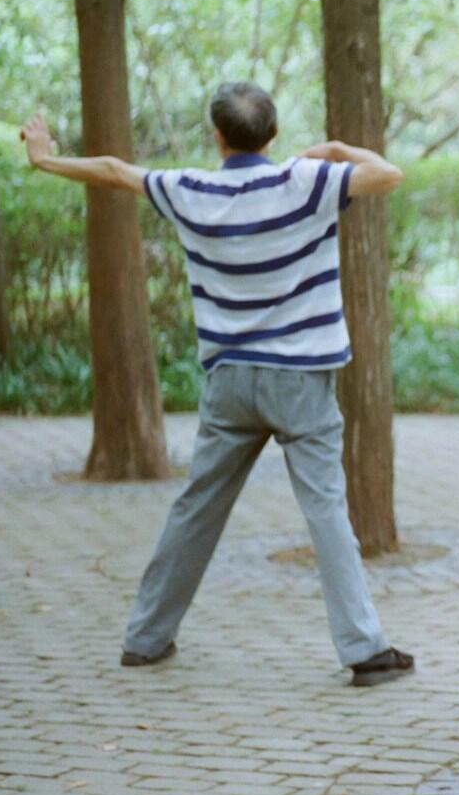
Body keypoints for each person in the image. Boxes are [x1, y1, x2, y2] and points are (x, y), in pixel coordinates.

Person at [20, 82, 415, 687]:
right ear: (274, 135)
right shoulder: (304, 183)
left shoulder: (189, 191)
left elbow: (113, 170)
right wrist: (334, 146)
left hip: (229, 381)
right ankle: (363, 649)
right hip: (301, 383)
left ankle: (145, 639)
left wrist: (46, 159)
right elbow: (388, 174)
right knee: (327, 511)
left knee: (196, 508)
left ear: (218, 136)